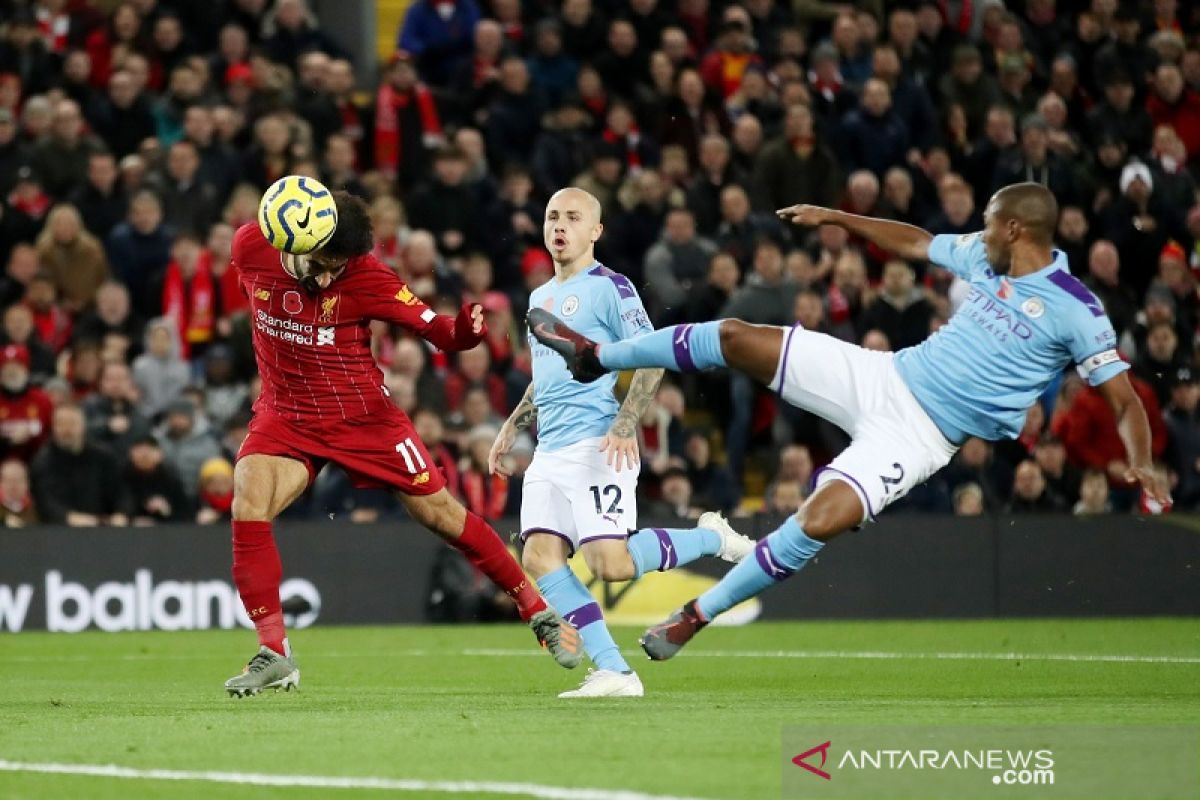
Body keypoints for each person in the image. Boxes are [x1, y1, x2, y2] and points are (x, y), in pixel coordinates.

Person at [529, 182, 1169, 660]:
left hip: (919, 437)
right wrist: (837, 217)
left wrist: (1139, 458)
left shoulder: (1079, 310)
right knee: (735, 335)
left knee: (820, 518)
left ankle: (694, 616)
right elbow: (917, 241)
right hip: (884, 375)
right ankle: (598, 357)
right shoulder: (985, 254)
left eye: (988, 226)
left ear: (1017, 233)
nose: (978, 234)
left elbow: (1126, 400)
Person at [223, 189, 580, 698]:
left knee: (442, 515)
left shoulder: (367, 277)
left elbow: (436, 328)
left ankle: (537, 611)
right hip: (287, 414)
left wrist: (464, 331)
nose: (329, 276)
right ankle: (274, 651)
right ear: (294, 242)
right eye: (322, 264)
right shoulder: (250, 247)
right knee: (247, 500)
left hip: (365, 419)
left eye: (338, 267)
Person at [489, 187, 752, 698]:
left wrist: (626, 423)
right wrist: (514, 423)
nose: (559, 225)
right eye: (551, 217)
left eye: (572, 217)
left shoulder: (612, 287)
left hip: (597, 444)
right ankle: (615, 670)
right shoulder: (538, 298)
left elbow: (652, 354)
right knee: (540, 556)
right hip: (549, 451)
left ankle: (712, 538)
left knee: (610, 565)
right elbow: (547, 374)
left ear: (596, 231)